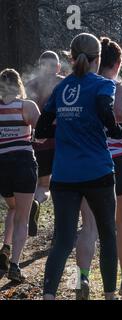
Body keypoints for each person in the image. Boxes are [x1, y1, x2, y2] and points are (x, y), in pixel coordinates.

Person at [36, 33, 122, 300]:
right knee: (107, 235)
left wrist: (63, 127)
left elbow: (42, 126)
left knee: (62, 241)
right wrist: (115, 129)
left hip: (64, 175)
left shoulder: (61, 89)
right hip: (97, 171)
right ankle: (109, 296)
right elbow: (103, 108)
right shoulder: (102, 84)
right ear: (98, 59)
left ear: (71, 58)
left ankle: (48, 296)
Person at [74, 37, 122, 300]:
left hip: (87, 162)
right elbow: (120, 107)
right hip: (116, 160)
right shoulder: (116, 85)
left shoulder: (82, 86)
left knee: (88, 225)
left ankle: (82, 280)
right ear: (118, 62)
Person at [0, 69, 40, 283]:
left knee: (13, 208)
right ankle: (15, 264)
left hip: (2, 166)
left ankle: (5, 247)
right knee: (23, 217)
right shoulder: (27, 106)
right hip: (23, 163)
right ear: (18, 85)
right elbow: (41, 132)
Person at [25, 51, 64, 237]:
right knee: (59, 184)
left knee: (42, 185)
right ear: (58, 67)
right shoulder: (65, 83)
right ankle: (59, 226)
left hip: (38, 143)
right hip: (61, 141)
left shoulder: (30, 85)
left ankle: (37, 202)